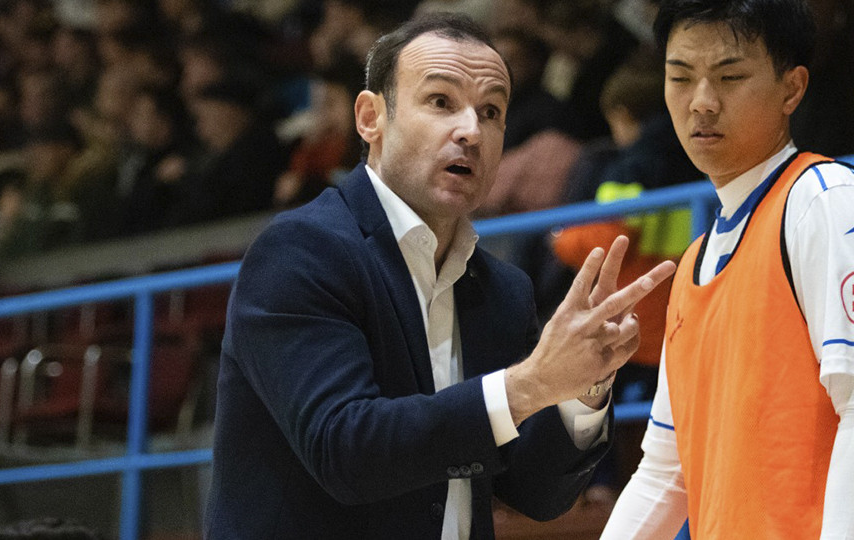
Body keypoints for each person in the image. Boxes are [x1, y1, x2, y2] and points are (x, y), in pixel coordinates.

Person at [205, 13, 675, 540]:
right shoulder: (301, 251)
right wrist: (528, 385)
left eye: (492, 111)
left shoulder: (504, 289)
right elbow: (345, 450)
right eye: (440, 102)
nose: (471, 130)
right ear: (370, 118)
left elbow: (536, 495)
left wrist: (583, 384)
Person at [599, 1, 854, 539]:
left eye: (730, 77)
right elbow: (666, 474)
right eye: (681, 78)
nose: (702, 102)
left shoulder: (822, 202)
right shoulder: (694, 259)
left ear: (793, 88)